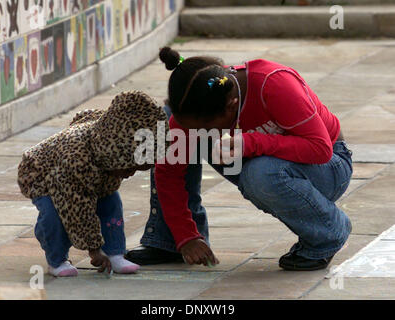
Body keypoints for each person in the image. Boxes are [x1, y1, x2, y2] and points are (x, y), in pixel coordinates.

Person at [125, 47, 353, 271]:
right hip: (268, 157)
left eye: (206, 127)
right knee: (166, 124)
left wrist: (250, 143)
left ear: (231, 106)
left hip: (328, 167)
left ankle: (328, 234)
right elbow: (169, 172)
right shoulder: (201, 95)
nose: (200, 132)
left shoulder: (274, 84)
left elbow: (320, 148)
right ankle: (170, 242)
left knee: (261, 174)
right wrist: (186, 235)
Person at [18, 91, 168, 277]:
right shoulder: (75, 161)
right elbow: (77, 208)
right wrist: (94, 249)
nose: (130, 174)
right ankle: (57, 259)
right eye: (130, 167)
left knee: (111, 203)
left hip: (93, 171)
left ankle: (115, 253)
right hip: (42, 175)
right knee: (55, 215)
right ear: (117, 155)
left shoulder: (109, 150)